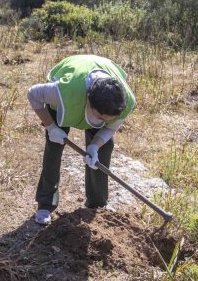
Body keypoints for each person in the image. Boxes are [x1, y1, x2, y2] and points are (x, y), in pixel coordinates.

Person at [28, 55, 136, 225]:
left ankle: (97, 203)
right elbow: (33, 94)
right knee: (54, 148)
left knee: (103, 149)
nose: (103, 122)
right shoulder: (63, 91)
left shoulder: (126, 102)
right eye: (100, 117)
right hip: (69, 92)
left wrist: (94, 146)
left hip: (100, 78)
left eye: (108, 119)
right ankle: (45, 204)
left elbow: (110, 128)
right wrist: (50, 127)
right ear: (88, 101)